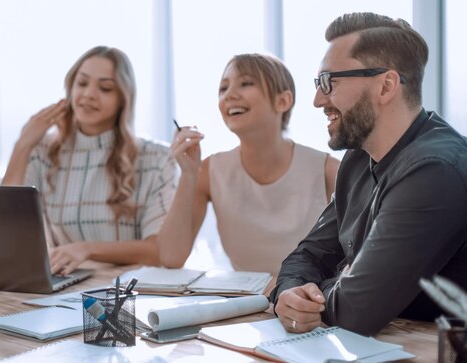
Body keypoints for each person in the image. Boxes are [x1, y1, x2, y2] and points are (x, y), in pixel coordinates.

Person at [270, 12, 467, 336]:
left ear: (386, 85)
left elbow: (356, 310)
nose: (318, 99)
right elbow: (308, 255)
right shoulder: (358, 159)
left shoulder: (435, 169)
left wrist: (319, 291)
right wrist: (290, 292)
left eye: (328, 82)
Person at [158, 53, 340, 276]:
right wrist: (188, 174)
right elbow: (171, 257)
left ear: (283, 101)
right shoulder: (209, 171)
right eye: (223, 88)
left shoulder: (328, 170)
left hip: (311, 302)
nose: (230, 95)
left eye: (246, 84)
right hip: (249, 306)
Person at [2, 46, 177, 276]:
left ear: (123, 99)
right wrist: (22, 145)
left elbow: (158, 251)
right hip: (62, 284)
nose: (88, 94)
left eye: (105, 88)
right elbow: (7, 221)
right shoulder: (43, 151)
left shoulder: (157, 159)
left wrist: (86, 250)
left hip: (127, 290)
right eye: (82, 83)